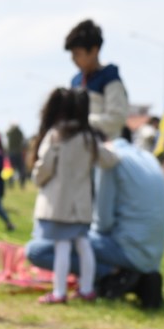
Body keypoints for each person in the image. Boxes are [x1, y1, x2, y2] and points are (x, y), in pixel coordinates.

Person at [26, 126, 164, 309]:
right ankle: (130, 276)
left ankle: (120, 277)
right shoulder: (147, 157)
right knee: (75, 245)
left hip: (128, 250)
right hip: (153, 253)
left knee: (37, 250)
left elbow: (103, 223)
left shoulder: (109, 160)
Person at [30, 87, 118, 303]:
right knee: (83, 244)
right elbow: (109, 160)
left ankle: (59, 292)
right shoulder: (89, 138)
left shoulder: (55, 135)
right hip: (81, 205)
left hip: (58, 204)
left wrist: (37, 177)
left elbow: (44, 168)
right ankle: (87, 289)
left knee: (62, 247)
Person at [64, 19, 129, 141]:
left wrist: (83, 122)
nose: (73, 59)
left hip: (106, 145)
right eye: (72, 54)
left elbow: (117, 119)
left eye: (77, 53)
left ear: (94, 51)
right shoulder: (75, 81)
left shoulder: (109, 77)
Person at [4, 123, 27, 189]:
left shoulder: (10, 132)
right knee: (21, 169)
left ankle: (11, 184)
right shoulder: (19, 132)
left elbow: (6, 133)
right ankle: (22, 184)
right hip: (18, 153)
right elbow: (23, 140)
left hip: (11, 153)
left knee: (11, 169)